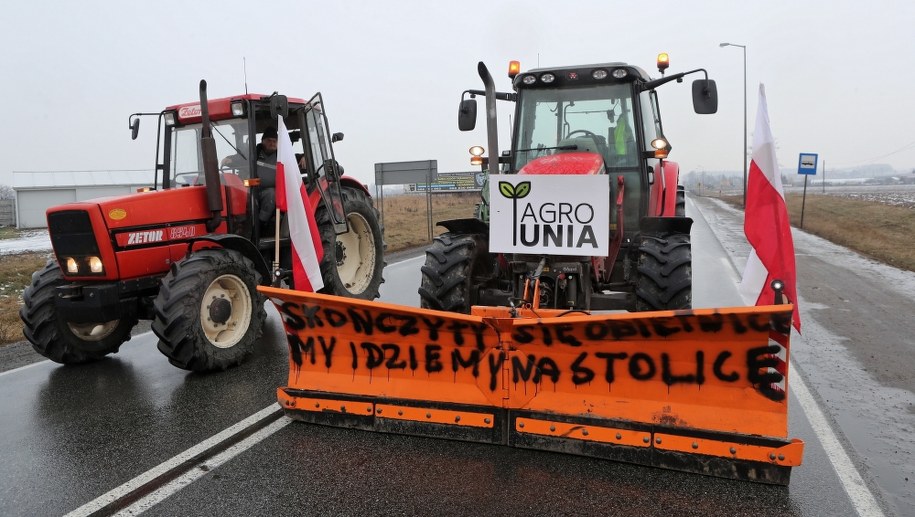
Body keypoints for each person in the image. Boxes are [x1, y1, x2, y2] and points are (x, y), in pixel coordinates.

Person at [222, 127, 278, 226]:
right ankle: (240, 224)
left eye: (274, 141)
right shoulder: (253, 153)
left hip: (271, 191)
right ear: (263, 141)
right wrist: (229, 159)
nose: (272, 143)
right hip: (251, 189)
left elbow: (294, 160)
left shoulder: (282, 155)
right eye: (269, 141)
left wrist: (303, 158)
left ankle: (260, 224)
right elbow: (241, 159)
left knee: (270, 194)